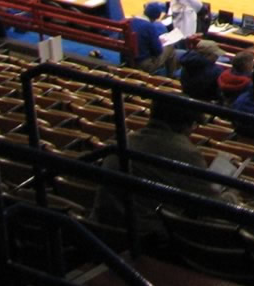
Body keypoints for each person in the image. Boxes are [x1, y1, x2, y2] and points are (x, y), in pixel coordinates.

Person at [91, 94, 226, 244]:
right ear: (186, 124)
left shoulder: (124, 141)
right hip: (144, 239)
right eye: (194, 125)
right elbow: (212, 205)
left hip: (103, 229)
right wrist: (232, 195)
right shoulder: (186, 153)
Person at [124, 2, 175, 73]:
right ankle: (172, 76)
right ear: (155, 17)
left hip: (128, 59)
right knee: (170, 46)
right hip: (144, 64)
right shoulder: (149, 27)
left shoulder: (131, 21)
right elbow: (158, 51)